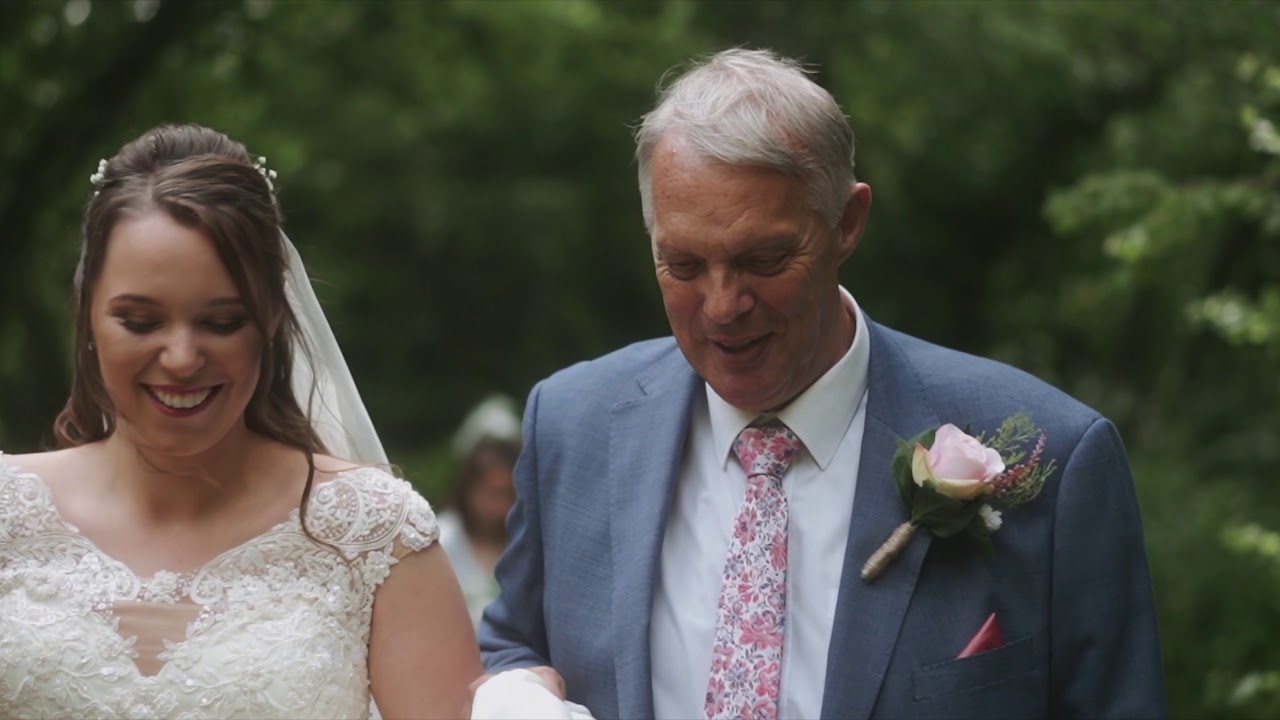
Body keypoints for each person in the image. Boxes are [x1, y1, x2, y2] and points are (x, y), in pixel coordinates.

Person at [476, 49, 1167, 719]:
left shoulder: (1053, 457)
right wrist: (512, 695)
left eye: (764, 259)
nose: (721, 305)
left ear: (847, 222)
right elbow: (514, 646)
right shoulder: (572, 424)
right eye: (683, 265)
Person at [0, 124, 481, 719]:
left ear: (272, 320)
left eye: (222, 323)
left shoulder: (374, 534)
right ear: (89, 315)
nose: (180, 358)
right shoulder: (7, 513)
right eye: (141, 322)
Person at [438, 432, 520, 627]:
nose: (501, 505)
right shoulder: (441, 539)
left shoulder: (523, 543)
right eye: (493, 493)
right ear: (469, 488)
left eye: (509, 495)